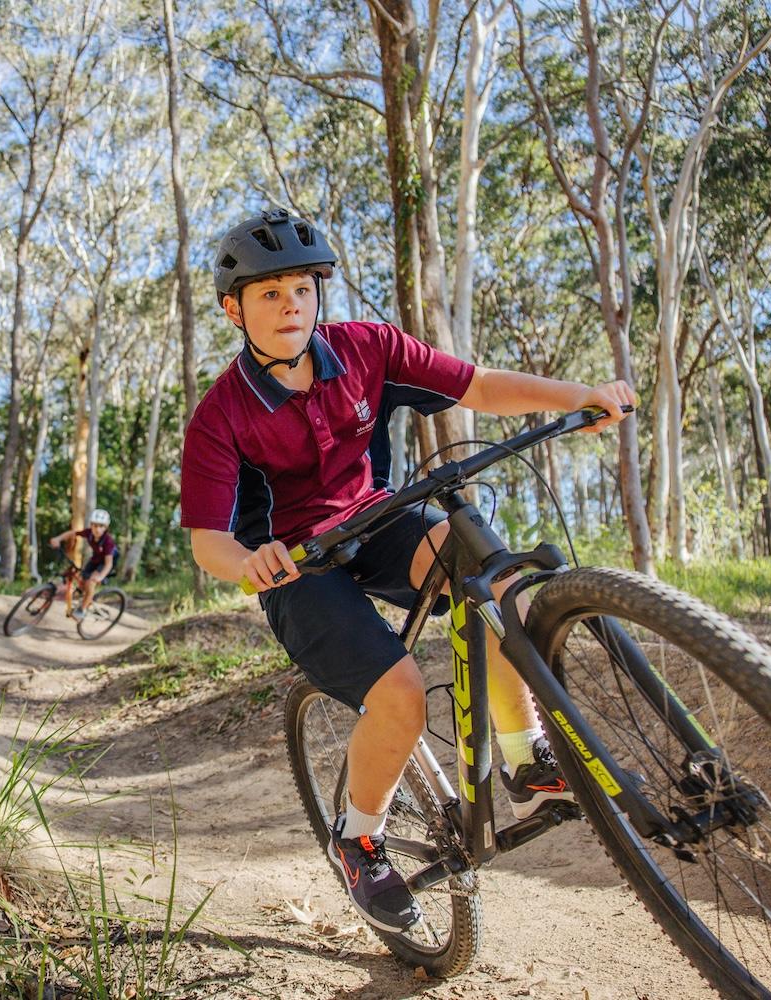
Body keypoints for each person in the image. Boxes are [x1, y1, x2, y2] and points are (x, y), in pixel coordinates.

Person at [180, 208, 636, 933]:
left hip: (377, 519)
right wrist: (249, 562)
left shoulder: (366, 349)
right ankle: (360, 838)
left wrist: (576, 394)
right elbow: (208, 539)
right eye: (269, 294)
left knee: (495, 579)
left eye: (301, 288)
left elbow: (478, 386)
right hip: (296, 566)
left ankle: (523, 758)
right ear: (234, 309)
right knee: (398, 698)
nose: (291, 304)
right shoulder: (220, 415)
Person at [49, 509, 117, 620]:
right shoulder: (89, 533)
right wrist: (58, 539)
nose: (97, 529)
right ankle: (85, 596)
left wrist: (100, 576)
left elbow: (109, 563)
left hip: (105, 563)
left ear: (106, 527)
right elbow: (72, 533)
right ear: (91, 525)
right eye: (95, 525)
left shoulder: (108, 542)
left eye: (101, 526)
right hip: (95, 559)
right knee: (82, 579)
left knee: (91, 582)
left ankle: (82, 610)